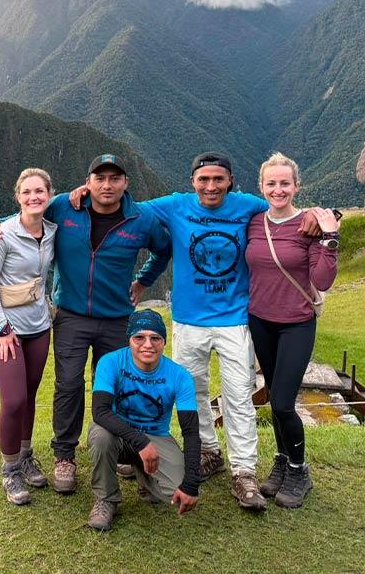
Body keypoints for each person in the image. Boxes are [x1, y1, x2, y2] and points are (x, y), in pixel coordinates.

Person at [69, 152, 322, 510]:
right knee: (195, 391)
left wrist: (316, 215)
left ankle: (244, 471)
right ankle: (208, 450)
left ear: (231, 181)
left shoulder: (247, 205)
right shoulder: (175, 205)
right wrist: (84, 192)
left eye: (219, 179)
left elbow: (283, 207)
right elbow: (128, 204)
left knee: (238, 395)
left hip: (234, 318)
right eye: (203, 180)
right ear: (192, 182)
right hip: (188, 320)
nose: (211, 186)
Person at [0, 154, 172, 494]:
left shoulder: (140, 219)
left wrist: (142, 282)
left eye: (115, 178)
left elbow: (163, 248)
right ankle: (64, 456)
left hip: (115, 316)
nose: (107, 185)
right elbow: (29, 213)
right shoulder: (66, 208)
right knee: (68, 384)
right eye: (100, 178)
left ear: (125, 183)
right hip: (70, 314)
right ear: (89, 182)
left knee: (114, 386)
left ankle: (121, 451)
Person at [246, 152, 339, 508]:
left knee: (284, 403)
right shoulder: (254, 222)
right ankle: (282, 462)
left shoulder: (310, 226)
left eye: (285, 183)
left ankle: (300, 470)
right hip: (261, 320)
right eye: (271, 183)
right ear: (261, 187)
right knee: (273, 397)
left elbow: (322, 279)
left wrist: (329, 237)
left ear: (297, 186)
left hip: (297, 323)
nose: (278, 189)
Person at [0, 168, 58, 505]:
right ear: (18, 197)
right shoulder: (1, 234)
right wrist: (3, 329)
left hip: (39, 327)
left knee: (29, 396)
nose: (34, 197)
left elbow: (80, 198)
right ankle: (10, 468)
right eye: (27, 192)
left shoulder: (52, 230)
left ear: (49, 194)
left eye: (39, 191)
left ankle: (26, 456)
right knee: (12, 401)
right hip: (4, 331)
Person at [87, 309, 200, 530]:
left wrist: (191, 484)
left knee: (176, 490)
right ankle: (106, 499)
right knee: (101, 436)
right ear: (129, 340)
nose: (147, 344)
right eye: (139, 337)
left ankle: (144, 477)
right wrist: (141, 442)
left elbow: (191, 432)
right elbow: (100, 411)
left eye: (155, 338)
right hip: (116, 433)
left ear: (164, 342)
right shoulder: (110, 362)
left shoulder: (180, 375)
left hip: (156, 435)